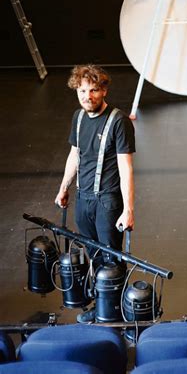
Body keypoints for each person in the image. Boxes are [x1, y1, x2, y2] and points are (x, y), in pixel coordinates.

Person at [55, 64, 135, 322]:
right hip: (84, 198)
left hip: (108, 200)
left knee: (111, 257)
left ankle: (117, 311)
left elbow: (126, 167)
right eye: (82, 91)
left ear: (103, 91)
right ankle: (104, 307)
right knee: (96, 255)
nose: (87, 96)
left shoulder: (118, 121)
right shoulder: (78, 117)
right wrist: (64, 187)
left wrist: (129, 209)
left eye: (93, 91)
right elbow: (75, 155)